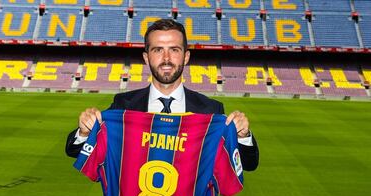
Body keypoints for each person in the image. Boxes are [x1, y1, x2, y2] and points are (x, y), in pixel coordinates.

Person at [65, 19, 258, 171]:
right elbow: (76, 152)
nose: (166, 59)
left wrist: (243, 136)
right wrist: (84, 132)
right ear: (146, 57)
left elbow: (247, 164)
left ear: (186, 56)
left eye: (174, 50)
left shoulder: (210, 111)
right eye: (158, 50)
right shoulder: (124, 105)